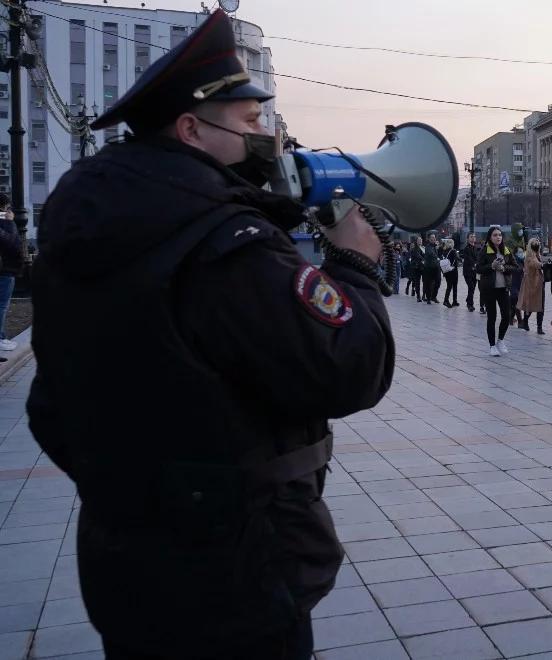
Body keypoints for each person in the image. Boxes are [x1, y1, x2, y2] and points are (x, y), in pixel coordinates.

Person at [26, 10, 395, 658]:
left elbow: (48, 410)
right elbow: (350, 366)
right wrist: (356, 265)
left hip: (125, 569)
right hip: (236, 579)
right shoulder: (224, 242)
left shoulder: (80, 226)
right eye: (252, 123)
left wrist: (135, 490)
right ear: (193, 128)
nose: (268, 138)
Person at [478, 226, 517, 356]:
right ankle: (492, 346)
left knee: (506, 315)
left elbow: (516, 267)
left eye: (500, 235)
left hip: (503, 288)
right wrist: (491, 266)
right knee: (492, 317)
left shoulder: (506, 250)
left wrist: (504, 268)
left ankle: (500, 340)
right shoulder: (485, 251)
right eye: (495, 235)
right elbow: (478, 268)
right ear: (490, 237)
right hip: (489, 289)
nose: (498, 237)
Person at [0, 194, 20, 352]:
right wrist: (10, 221)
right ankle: (0, 338)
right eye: (7, 208)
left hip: (5, 269)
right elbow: (12, 242)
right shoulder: (5, 222)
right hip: (4, 269)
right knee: (2, 305)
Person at [516, 237, 546, 334]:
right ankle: (525, 322)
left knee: (540, 306)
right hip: (531, 284)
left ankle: (539, 327)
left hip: (539, 284)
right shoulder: (529, 256)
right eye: (534, 243)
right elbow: (535, 264)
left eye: (538, 242)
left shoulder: (538, 255)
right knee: (530, 304)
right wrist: (543, 265)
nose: (537, 244)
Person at [461, 231, 481, 312]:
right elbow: (469, 260)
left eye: (474, 236)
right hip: (468, 272)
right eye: (471, 236)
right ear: (468, 239)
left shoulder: (476, 248)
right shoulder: (466, 249)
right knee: (471, 287)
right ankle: (470, 305)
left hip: (475, 272)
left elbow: (478, 258)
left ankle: (468, 300)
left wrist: (478, 264)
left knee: (472, 288)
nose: (473, 238)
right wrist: (475, 264)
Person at [421, 231, 441, 304]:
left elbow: (439, 255)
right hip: (429, 268)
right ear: (429, 239)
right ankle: (429, 298)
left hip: (436, 268)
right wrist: (437, 256)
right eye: (432, 237)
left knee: (438, 282)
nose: (433, 239)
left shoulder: (435, 246)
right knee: (428, 283)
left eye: (434, 237)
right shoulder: (428, 247)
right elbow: (431, 253)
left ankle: (434, 296)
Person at [439, 238, 460, 308]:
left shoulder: (444, 251)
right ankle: (448, 300)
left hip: (446, 271)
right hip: (453, 271)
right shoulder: (453, 251)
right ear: (452, 244)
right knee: (454, 286)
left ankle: (452, 301)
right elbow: (456, 259)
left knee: (449, 286)